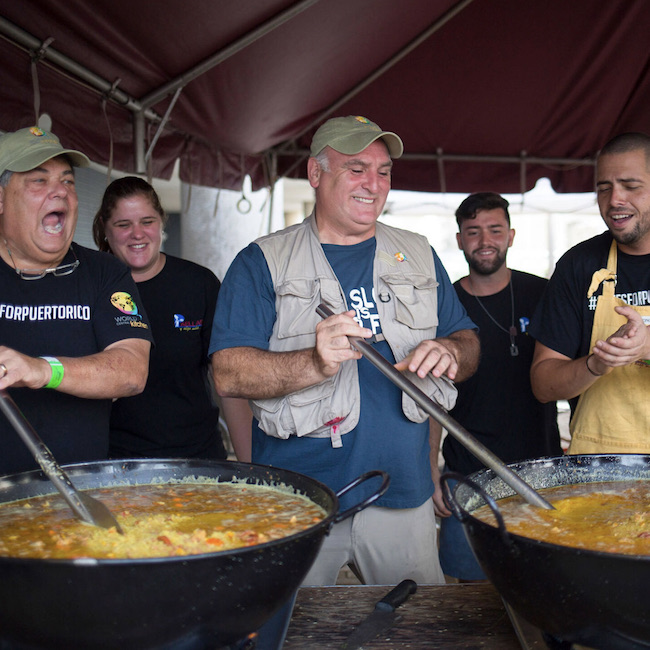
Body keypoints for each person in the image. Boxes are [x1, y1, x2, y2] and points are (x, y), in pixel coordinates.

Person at [209, 115, 479, 586]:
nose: (373, 184)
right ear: (316, 174)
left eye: (383, 171)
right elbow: (229, 374)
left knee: (416, 632)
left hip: (405, 494)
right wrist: (313, 362)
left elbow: (469, 342)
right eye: (356, 169)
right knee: (295, 632)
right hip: (303, 501)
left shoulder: (418, 253)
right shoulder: (262, 261)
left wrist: (451, 350)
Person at [0, 126, 152, 476]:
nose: (60, 192)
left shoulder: (104, 273)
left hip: (78, 497)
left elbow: (132, 371)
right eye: (39, 181)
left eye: (67, 181)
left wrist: (42, 370)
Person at [431, 192, 562, 581]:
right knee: (469, 601)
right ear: (459, 240)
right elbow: (430, 396)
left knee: (543, 588)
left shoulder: (543, 294)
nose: (484, 240)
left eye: (494, 229)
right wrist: (429, 472)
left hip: (541, 472)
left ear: (511, 235)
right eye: (473, 231)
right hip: (468, 477)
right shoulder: (444, 303)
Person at [92, 176, 252, 461]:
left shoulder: (198, 283)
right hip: (116, 463)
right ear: (106, 229)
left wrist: (251, 466)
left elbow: (229, 382)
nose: (137, 234)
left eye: (147, 221)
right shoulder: (91, 288)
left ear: (161, 222)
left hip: (198, 459)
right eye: (123, 225)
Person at [530, 132, 650, 453]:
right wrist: (595, 365)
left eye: (631, 186)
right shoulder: (579, 265)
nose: (615, 200)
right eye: (603, 188)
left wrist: (645, 344)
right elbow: (542, 384)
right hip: (601, 471)